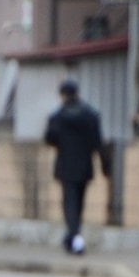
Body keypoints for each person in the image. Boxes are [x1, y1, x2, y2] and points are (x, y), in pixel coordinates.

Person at [45, 78, 106, 255]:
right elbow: (97, 142)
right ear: (77, 94)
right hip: (84, 165)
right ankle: (70, 237)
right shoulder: (91, 116)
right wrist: (105, 165)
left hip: (66, 166)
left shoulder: (57, 117)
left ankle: (75, 238)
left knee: (69, 204)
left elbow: (49, 139)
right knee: (79, 203)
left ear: (63, 95)